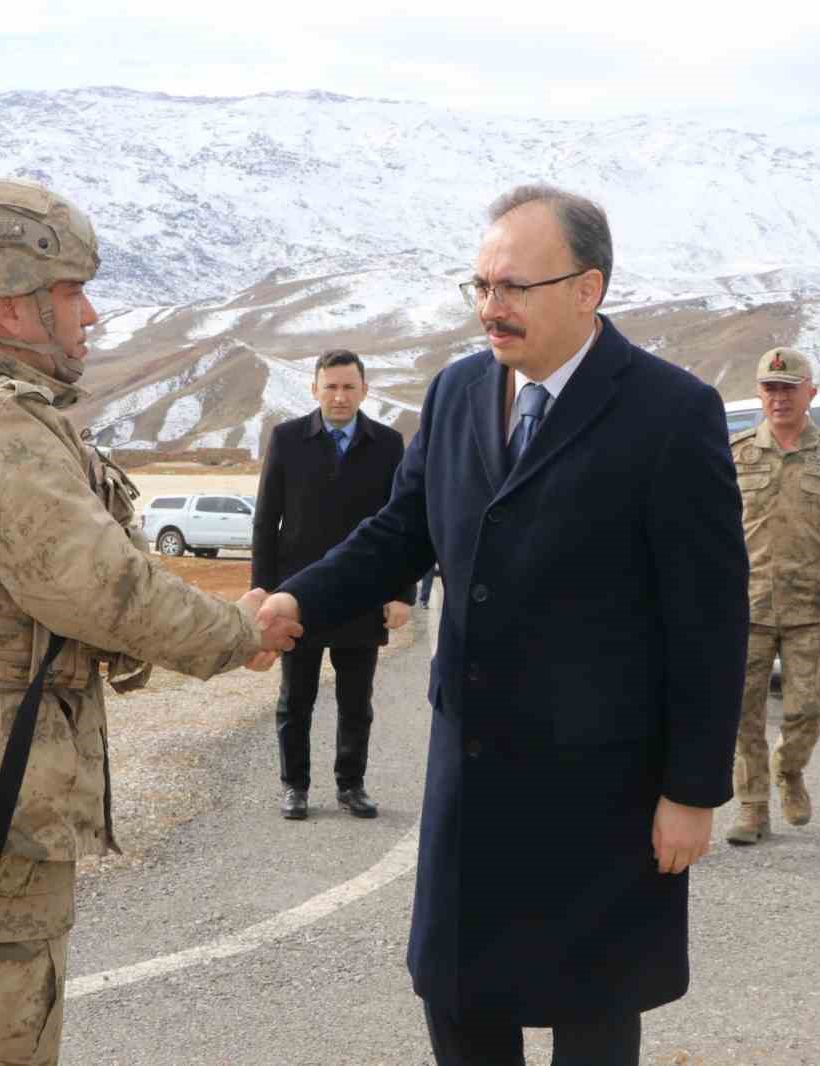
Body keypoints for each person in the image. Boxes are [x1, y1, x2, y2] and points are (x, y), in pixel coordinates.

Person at [257, 184, 749, 1066]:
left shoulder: (670, 413)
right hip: (471, 773)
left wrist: (692, 790)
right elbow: (402, 532)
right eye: (480, 285)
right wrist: (300, 597)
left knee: (592, 1014)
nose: (492, 307)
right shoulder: (456, 392)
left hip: (600, 790)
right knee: (458, 1000)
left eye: (514, 287)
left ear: (587, 288)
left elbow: (709, 618)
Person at [0, 177, 300, 1066]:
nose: (91, 314)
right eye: (70, 294)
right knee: (0, 1029)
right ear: (16, 310)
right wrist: (237, 635)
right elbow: (98, 587)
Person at [252, 348, 414, 820]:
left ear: (364, 389)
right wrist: (263, 592)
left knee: (355, 701)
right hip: (297, 596)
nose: (339, 396)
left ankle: (351, 785)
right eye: (331, 386)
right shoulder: (286, 439)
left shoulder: (387, 445)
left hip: (360, 595)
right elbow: (266, 523)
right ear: (315, 389)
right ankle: (295, 787)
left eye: (348, 387)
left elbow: (404, 524)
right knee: (294, 699)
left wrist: (401, 592)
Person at [726, 348, 820, 845]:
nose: (779, 397)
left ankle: (789, 770)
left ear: (811, 391)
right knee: (742, 711)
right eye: (771, 388)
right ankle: (751, 807)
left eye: (790, 387)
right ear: (758, 392)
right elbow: (709, 532)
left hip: (809, 606)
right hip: (742, 607)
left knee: (808, 708)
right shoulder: (736, 453)